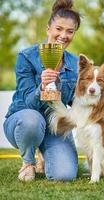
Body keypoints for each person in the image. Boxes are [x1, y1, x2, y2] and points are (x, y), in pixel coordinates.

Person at [3, 0, 81, 182]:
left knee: (64, 175)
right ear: (48, 29)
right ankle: (28, 162)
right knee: (32, 119)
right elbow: (27, 102)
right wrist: (42, 87)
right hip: (23, 122)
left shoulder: (75, 64)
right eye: (59, 29)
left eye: (70, 31)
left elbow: (76, 104)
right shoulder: (26, 57)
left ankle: (45, 155)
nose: (64, 35)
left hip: (56, 125)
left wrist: (96, 91)